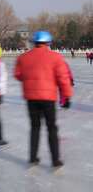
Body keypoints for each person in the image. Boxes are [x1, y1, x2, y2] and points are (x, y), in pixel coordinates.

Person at [14, 31, 73, 169]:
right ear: (48, 42)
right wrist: (67, 96)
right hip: (48, 98)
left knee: (35, 127)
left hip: (31, 99)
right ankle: (55, 160)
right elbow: (63, 79)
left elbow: (17, 74)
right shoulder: (55, 57)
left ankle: (33, 158)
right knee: (51, 128)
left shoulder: (23, 57)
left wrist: (29, 80)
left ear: (34, 42)